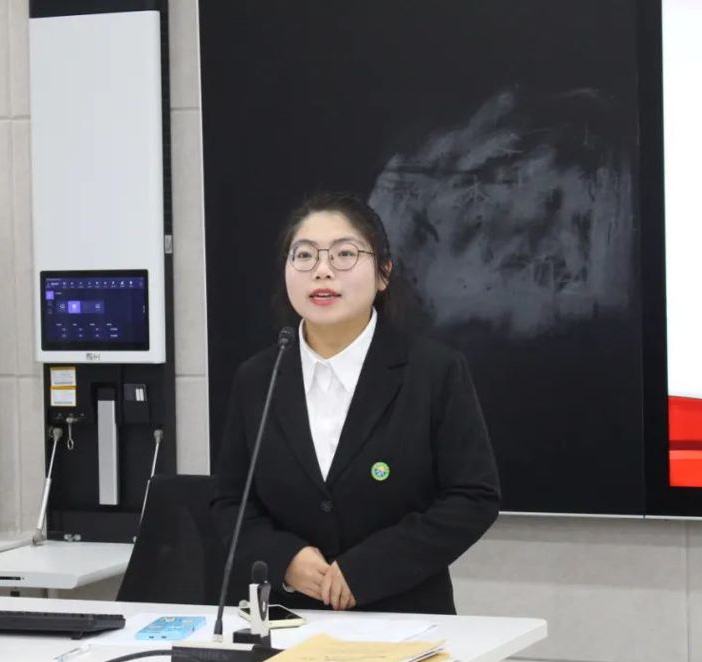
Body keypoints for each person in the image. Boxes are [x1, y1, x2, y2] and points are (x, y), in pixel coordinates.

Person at [212, 191, 500, 615]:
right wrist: (284, 560)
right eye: (304, 255)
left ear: (384, 273)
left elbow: (472, 497)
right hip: (288, 617)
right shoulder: (258, 378)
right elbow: (229, 504)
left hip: (406, 617)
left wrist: (369, 569)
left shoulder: (434, 372)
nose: (322, 270)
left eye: (344, 254)